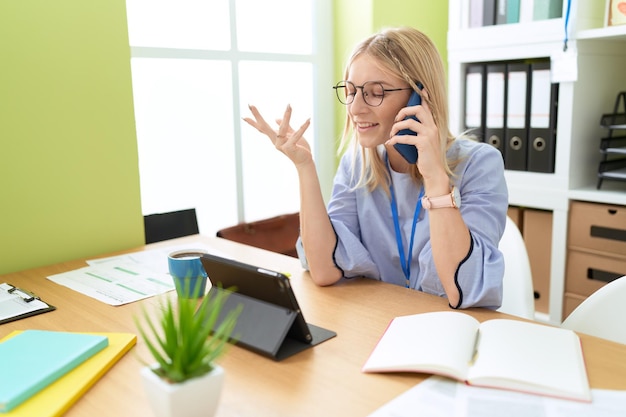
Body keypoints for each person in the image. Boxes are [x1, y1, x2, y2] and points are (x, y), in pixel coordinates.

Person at [243, 27, 508, 309]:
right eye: (350, 91)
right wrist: (304, 167)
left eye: (375, 93)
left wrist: (434, 176)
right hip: (379, 322)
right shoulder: (357, 165)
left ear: (420, 99)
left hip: (448, 329)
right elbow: (323, 270)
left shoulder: (480, 164)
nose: (355, 108)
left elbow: (462, 290)